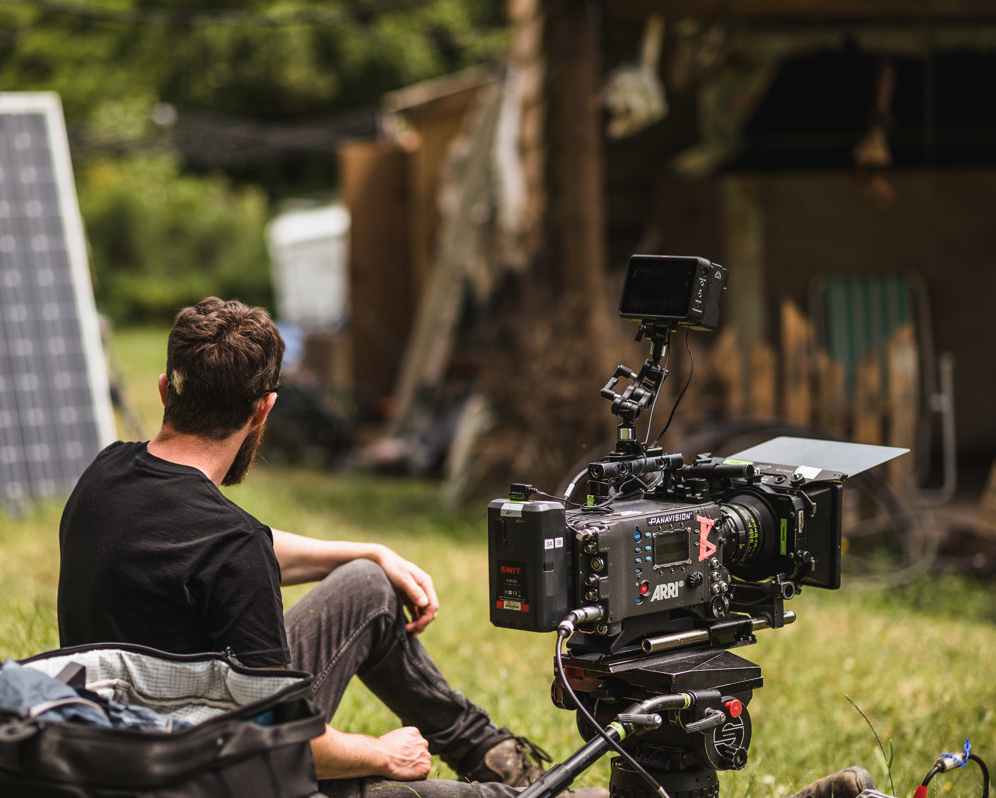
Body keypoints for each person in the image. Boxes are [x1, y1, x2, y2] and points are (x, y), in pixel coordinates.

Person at [57, 298, 876, 798]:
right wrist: (379, 753)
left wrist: (368, 551)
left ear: (167, 389)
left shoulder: (110, 477)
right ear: (264, 408)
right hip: (223, 781)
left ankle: (492, 753)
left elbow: (227, 550)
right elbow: (288, 744)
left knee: (366, 589)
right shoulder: (228, 547)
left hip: (134, 738)